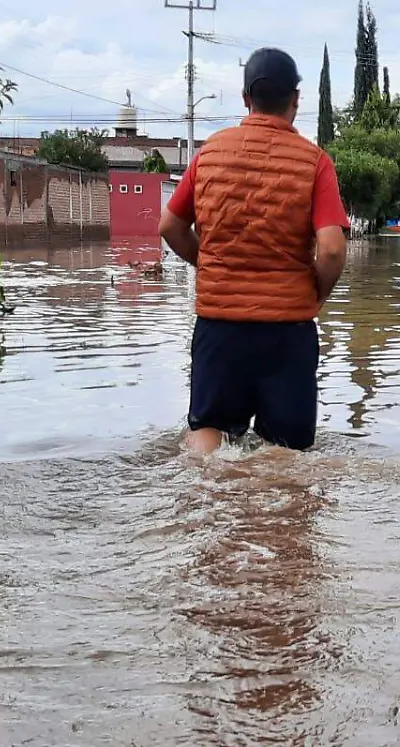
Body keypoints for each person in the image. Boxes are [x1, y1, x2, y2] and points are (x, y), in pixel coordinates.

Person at [158, 47, 350, 454]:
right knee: (284, 455)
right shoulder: (315, 162)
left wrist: (209, 264)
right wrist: (316, 293)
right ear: (295, 101)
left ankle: (198, 501)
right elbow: (332, 250)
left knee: (207, 433)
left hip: (219, 325)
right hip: (287, 331)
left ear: (246, 98)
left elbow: (170, 226)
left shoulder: (209, 154)